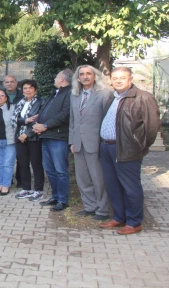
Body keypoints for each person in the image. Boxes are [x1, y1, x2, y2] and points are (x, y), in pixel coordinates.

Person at [98, 67, 160, 235]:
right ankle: (119, 217)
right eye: (115, 78)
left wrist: (139, 146)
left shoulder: (143, 98)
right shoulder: (112, 97)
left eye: (122, 78)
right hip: (106, 148)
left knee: (130, 186)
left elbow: (152, 127)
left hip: (127, 149)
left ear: (130, 79)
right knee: (112, 185)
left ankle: (134, 222)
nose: (118, 81)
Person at [69, 65, 112, 221]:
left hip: (96, 143)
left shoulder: (105, 94)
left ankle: (103, 209)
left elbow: (108, 120)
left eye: (89, 74)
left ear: (95, 76)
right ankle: (89, 206)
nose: (85, 76)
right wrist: (72, 142)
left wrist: (104, 142)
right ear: (77, 78)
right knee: (82, 177)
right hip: (78, 143)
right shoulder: (74, 95)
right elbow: (72, 121)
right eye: (82, 74)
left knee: (98, 178)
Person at [33, 69, 73, 211]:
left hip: (58, 138)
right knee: (49, 170)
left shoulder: (69, 93)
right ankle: (55, 197)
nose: (54, 79)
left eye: (56, 76)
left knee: (60, 170)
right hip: (46, 136)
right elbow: (45, 112)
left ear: (62, 79)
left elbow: (65, 114)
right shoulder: (55, 93)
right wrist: (38, 124)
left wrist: (45, 125)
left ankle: (63, 200)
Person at [11, 79, 45, 201]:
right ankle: (26, 188)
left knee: (36, 164)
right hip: (19, 137)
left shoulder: (40, 102)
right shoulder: (20, 102)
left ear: (35, 90)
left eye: (30, 88)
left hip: (34, 137)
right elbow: (14, 120)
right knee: (22, 164)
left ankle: (38, 190)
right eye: (25, 88)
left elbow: (37, 120)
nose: (27, 90)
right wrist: (25, 121)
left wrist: (26, 133)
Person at [4, 74, 24, 187]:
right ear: (4, 84)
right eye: (7, 82)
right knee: (8, 157)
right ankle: (8, 179)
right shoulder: (0, 95)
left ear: (16, 83)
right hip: (5, 131)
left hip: (20, 129)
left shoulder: (22, 95)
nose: (9, 84)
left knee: (20, 157)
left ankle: (20, 180)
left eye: (12, 82)